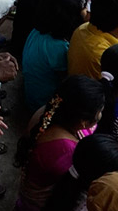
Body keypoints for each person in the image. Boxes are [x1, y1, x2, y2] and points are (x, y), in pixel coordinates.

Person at [13, 75, 104, 211]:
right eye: (100, 111)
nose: (101, 114)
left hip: (27, 196)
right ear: (83, 122)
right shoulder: (67, 151)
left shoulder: (46, 113)